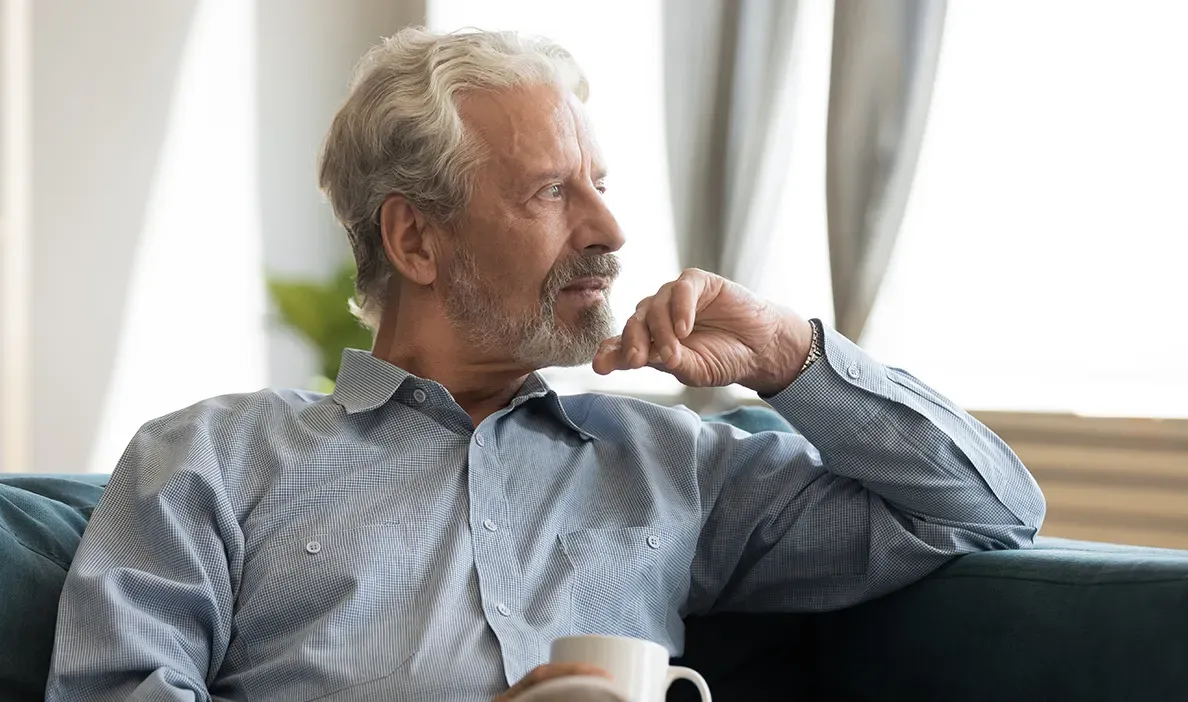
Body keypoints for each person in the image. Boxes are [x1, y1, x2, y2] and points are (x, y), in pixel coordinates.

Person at [46, 28, 1045, 702]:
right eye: (552, 193)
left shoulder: (672, 464)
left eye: (601, 184)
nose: (611, 229)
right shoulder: (212, 459)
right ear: (417, 241)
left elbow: (986, 511)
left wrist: (792, 356)